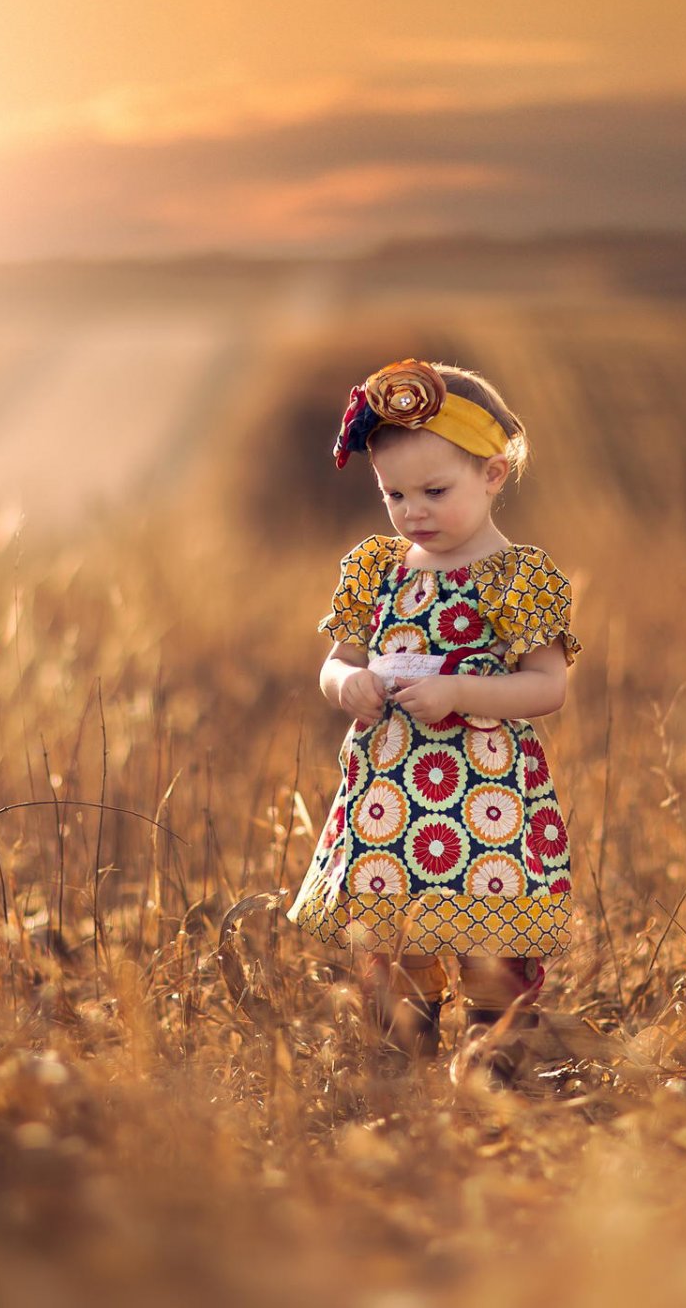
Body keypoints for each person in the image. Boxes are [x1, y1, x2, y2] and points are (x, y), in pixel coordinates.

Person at [286, 359, 580, 1064]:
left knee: (494, 950)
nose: (413, 511)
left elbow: (547, 686)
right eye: (394, 493)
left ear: (494, 474)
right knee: (394, 952)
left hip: (484, 804)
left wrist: (460, 692)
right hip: (390, 800)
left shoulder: (518, 578)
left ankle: (495, 1066)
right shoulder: (376, 569)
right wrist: (345, 684)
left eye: (435, 490)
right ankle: (402, 1072)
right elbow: (337, 661)